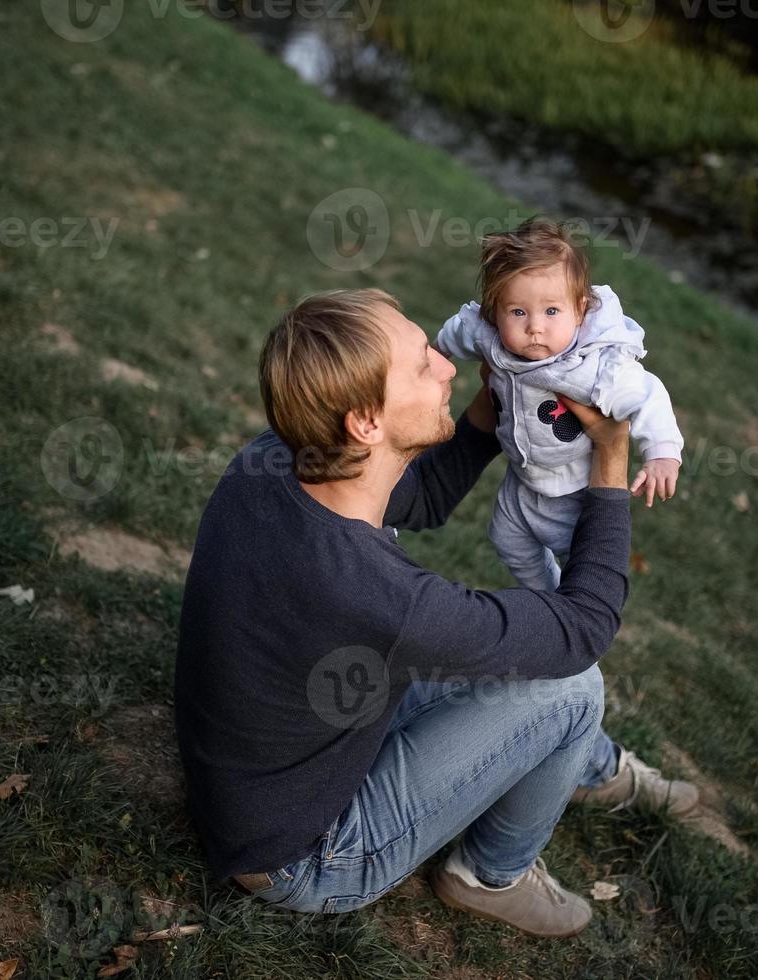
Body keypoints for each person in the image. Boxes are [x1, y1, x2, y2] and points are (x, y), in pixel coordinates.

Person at [173, 288, 698, 938]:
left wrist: (492, 398)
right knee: (571, 687)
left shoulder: (280, 455)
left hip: (277, 754)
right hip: (304, 855)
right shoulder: (377, 596)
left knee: (529, 685)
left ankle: (587, 766)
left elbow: (420, 498)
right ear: (365, 421)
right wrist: (611, 459)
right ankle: (490, 875)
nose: (447, 364)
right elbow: (583, 628)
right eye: (423, 364)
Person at [434, 216, 685, 592]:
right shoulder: (491, 338)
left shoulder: (593, 365)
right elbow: (460, 331)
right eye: (518, 312)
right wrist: (436, 354)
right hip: (521, 482)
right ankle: (547, 598)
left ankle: (575, 623)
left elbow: (647, 393)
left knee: (583, 568)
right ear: (495, 310)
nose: (535, 326)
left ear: (580, 310)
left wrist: (662, 452)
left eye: (552, 311)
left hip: (573, 492)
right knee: (507, 540)